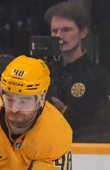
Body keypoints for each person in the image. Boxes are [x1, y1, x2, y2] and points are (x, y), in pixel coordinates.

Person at [45, 1, 110, 142]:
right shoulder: (45, 72)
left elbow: (103, 126)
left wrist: (65, 112)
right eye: (54, 31)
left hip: (84, 153)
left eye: (66, 30)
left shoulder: (98, 75)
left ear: (83, 32)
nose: (59, 36)